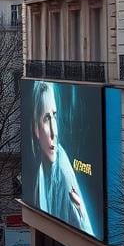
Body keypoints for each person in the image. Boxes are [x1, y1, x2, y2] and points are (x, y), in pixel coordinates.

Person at [28, 81, 94, 236]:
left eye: (54, 116)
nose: (54, 131)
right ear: (35, 127)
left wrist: (81, 213)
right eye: (46, 119)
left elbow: (85, 232)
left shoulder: (63, 171)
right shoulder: (39, 172)